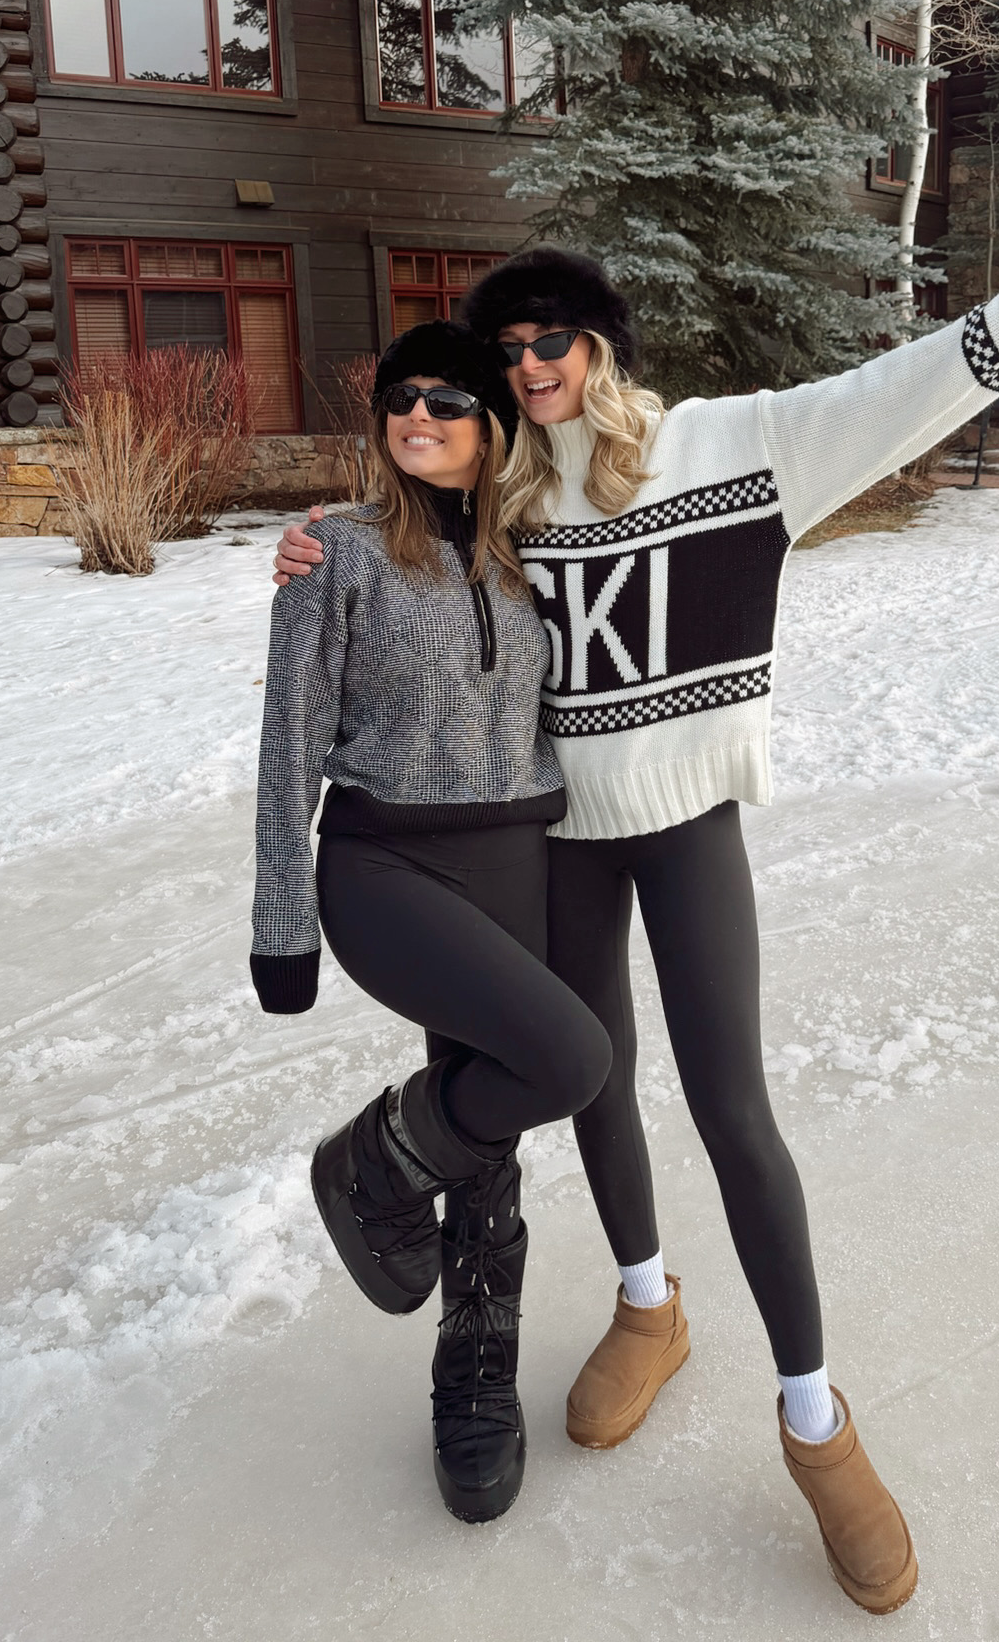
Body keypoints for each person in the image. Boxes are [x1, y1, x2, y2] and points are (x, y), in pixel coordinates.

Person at [275, 211, 999, 1610]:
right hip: (553, 833)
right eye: (507, 351)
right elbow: (405, 521)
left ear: (602, 345)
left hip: (689, 826)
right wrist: (306, 549)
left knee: (733, 1106)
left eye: (549, 340)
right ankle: (649, 1304)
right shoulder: (504, 492)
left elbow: (908, 388)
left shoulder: (735, 448)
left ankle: (818, 1424)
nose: (526, 368)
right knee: (597, 1084)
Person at [250, 318, 611, 1525]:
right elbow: (289, 739)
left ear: (491, 425)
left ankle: (476, 1373)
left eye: (450, 400)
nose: (419, 416)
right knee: (567, 1059)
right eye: (401, 397)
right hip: (385, 858)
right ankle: (373, 1166)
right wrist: (281, 915)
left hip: (517, 851)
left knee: (493, 1131)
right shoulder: (337, 553)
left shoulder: (535, 548)